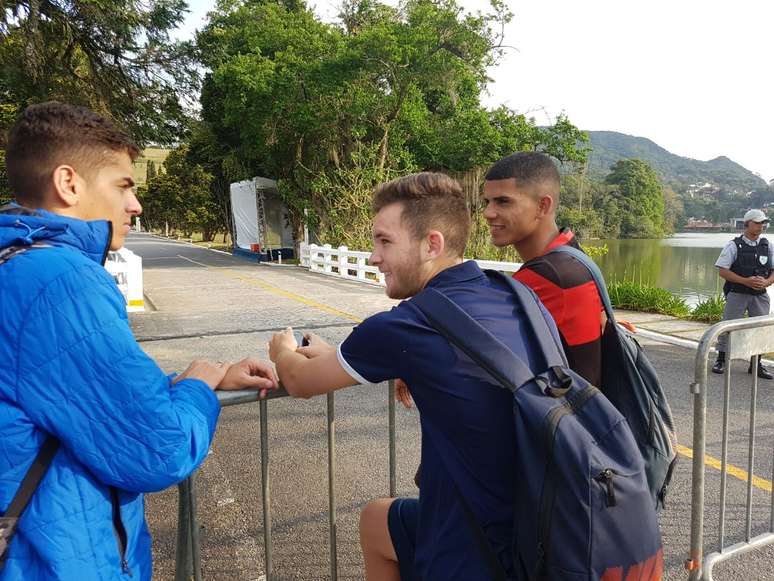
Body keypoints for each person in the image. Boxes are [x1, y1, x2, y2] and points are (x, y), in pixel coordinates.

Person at [0, 102, 278, 580]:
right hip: (58, 560)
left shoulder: (15, 264)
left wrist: (190, 383)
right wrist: (197, 385)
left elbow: (74, 396)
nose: (136, 205)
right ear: (69, 183)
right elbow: (157, 447)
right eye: (123, 186)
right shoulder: (60, 280)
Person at [268, 172, 560, 580]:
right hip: (545, 521)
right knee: (377, 522)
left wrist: (282, 351)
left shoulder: (407, 326)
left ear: (432, 244)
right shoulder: (517, 294)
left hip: (478, 543)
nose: (373, 257)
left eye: (385, 241)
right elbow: (459, 364)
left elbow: (299, 381)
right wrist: (343, 356)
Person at [482, 151, 605, 387]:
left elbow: (480, 350)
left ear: (542, 206)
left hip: (564, 416)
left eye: (503, 201)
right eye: (487, 202)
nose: (488, 213)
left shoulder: (549, 276)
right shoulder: (572, 253)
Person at [711, 208, 774, 378]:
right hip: (737, 293)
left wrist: (767, 282)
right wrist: (745, 281)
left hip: (760, 295)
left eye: (763, 223)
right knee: (728, 327)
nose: (761, 226)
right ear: (747, 224)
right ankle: (721, 359)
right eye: (758, 222)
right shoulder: (733, 245)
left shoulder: (767, 246)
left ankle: (756, 365)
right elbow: (723, 271)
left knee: (760, 329)